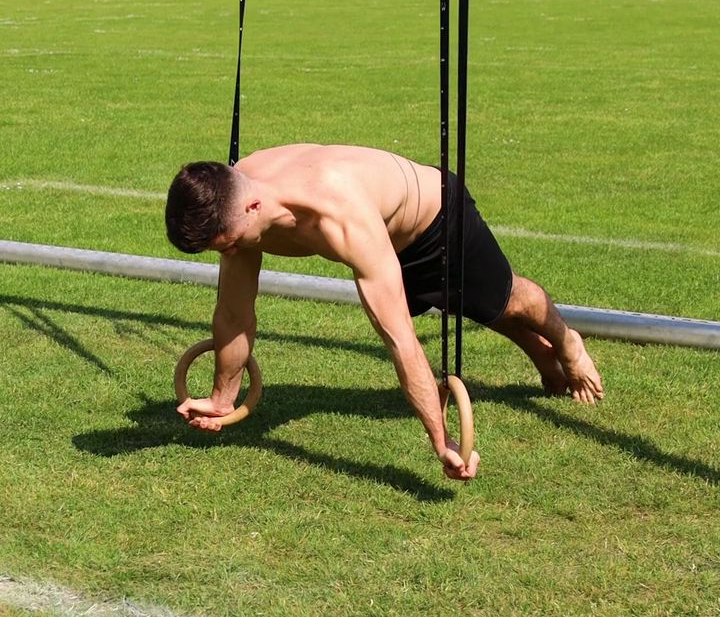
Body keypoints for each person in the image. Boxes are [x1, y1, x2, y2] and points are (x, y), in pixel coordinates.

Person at [165, 143, 603, 481]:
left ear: (253, 208)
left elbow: (400, 341)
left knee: (506, 298)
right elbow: (233, 316)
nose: (231, 251)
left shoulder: (335, 216)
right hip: (384, 234)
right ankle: (540, 354)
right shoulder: (236, 199)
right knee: (465, 301)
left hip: (434, 220)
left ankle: (566, 342)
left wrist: (443, 441)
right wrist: (223, 400)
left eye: (228, 243)